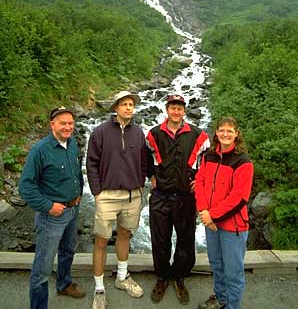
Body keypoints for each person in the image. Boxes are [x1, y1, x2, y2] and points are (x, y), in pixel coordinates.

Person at [18, 106, 85, 309]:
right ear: (52, 124)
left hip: (73, 209)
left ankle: (64, 284)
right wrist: (48, 206)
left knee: (68, 250)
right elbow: (25, 187)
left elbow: (76, 171)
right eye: (63, 123)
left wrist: (79, 193)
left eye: (70, 123)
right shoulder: (40, 150)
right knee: (42, 267)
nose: (67, 127)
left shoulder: (72, 143)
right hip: (52, 216)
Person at [146, 94, 210, 305]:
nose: (176, 111)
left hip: (185, 197)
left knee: (185, 239)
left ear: (184, 111)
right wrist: (151, 176)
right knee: (160, 239)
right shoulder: (154, 134)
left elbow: (207, 162)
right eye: (173, 107)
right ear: (167, 109)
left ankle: (180, 276)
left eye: (180, 108)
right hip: (161, 196)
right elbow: (145, 158)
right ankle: (163, 277)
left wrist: (199, 181)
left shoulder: (198, 135)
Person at [86, 90, 147, 309]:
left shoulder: (138, 132)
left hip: (133, 194)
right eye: (124, 104)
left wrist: (141, 183)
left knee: (124, 235)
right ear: (115, 108)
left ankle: (122, 277)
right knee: (101, 239)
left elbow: (143, 161)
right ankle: (99, 288)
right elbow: (91, 163)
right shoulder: (100, 132)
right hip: (107, 194)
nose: (129, 107)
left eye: (131, 104)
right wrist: (96, 191)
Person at [195, 116, 254, 309]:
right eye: (221, 130)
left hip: (232, 227)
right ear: (216, 133)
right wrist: (204, 211)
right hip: (211, 222)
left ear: (237, 134)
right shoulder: (208, 156)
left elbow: (239, 198)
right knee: (217, 265)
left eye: (230, 130)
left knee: (233, 273)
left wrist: (212, 215)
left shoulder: (243, 162)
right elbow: (200, 183)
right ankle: (220, 299)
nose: (225, 134)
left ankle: (232, 306)